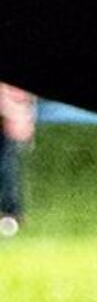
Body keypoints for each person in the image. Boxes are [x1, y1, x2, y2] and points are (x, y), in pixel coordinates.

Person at [0, 82, 31, 235]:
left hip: (9, 120)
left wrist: (21, 118)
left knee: (7, 168)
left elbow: (21, 99)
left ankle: (12, 212)